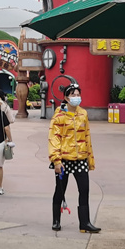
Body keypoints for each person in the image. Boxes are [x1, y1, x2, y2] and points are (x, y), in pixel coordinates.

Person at [48, 83, 100, 233]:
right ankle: (56, 220)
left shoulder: (83, 114)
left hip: (81, 158)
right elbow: (54, 138)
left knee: (84, 190)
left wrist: (90, 159)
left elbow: (87, 136)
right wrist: (56, 160)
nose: (76, 97)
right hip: (63, 159)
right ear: (66, 98)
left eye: (78, 95)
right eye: (73, 95)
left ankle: (85, 223)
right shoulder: (59, 116)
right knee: (60, 190)